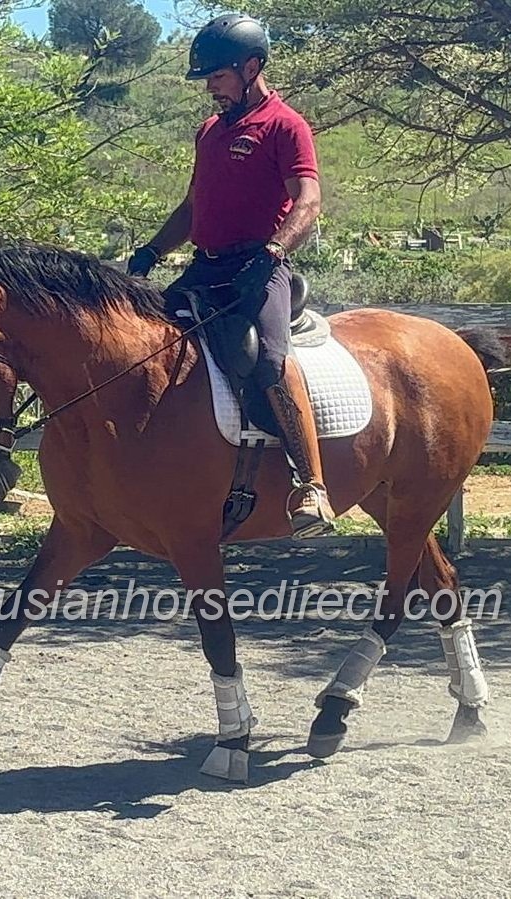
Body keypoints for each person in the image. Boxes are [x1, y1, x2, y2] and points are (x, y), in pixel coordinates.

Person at [127, 12, 336, 538]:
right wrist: (152, 250)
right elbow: (192, 207)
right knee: (145, 343)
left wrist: (273, 251)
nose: (210, 90)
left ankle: (311, 486)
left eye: (217, 78)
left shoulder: (286, 125)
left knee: (268, 361)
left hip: (260, 269)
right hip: (207, 267)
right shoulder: (209, 132)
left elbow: (308, 202)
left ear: (251, 67)